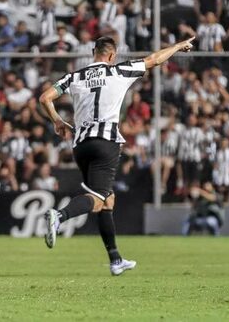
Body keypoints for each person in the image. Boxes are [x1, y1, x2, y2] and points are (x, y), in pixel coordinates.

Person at [39, 35, 194, 276]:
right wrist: (176, 46)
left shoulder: (75, 76)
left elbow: (45, 98)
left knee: (107, 200)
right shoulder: (120, 71)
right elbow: (154, 59)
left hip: (80, 146)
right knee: (99, 198)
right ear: (112, 55)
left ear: (94, 51)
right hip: (105, 142)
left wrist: (58, 121)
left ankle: (115, 259)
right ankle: (59, 216)